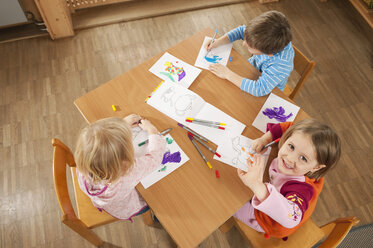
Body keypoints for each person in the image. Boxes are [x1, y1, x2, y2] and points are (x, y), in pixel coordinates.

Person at [235, 119, 341, 239]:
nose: (290, 158)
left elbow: (291, 218)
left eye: (303, 158)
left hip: (270, 221)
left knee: (229, 203)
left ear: (316, 167)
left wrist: (256, 185)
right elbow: (289, 126)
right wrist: (265, 139)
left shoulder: (302, 189)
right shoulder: (300, 139)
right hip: (269, 188)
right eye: (291, 146)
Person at [74, 114, 166, 221]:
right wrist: (152, 131)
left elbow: (102, 143)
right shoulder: (129, 172)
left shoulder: (84, 164)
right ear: (123, 163)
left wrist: (121, 126)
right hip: (125, 206)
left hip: (100, 199)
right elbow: (155, 157)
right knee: (158, 199)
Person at [206, 10, 294, 97]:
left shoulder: (281, 64)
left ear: (267, 53)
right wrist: (219, 42)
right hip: (252, 71)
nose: (244, 43)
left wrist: (227, 74)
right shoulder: (262, 36)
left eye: (249, 47)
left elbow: (259, 89)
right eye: (245, 39)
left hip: (269, 91)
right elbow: (240, 31)